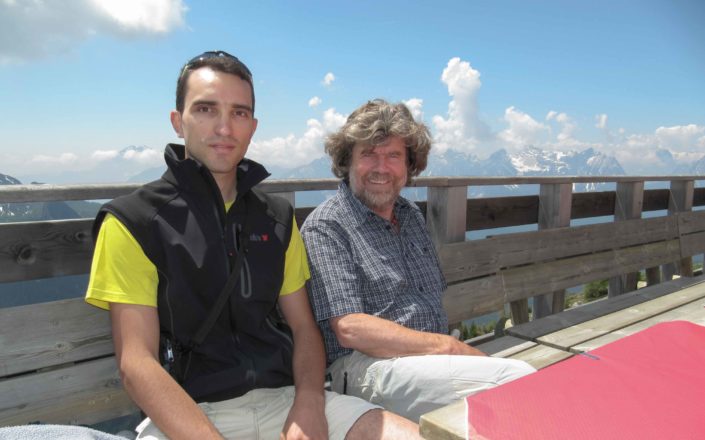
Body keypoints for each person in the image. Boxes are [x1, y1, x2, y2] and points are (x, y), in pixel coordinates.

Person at [85, 52, 420, 440]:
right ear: (178, 121)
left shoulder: (276, 218)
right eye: (206, 109)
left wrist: (309, 404)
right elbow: (136, 363)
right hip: (187, 415)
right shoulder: (134, 222)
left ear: (253, 126)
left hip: (288, 400)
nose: (224, 127)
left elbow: (304, 328)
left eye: (239, 113)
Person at [301, 99, 536, 422]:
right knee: (519, 382)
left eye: (393, 155)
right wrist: (448, 348)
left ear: (410, 165)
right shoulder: (327, 226)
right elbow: (350, 328)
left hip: (429, 360)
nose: (381, 167)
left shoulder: (409, 215)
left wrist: (445, 351)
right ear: (347, 161)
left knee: (522, 388)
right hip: (365, 367)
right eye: (368, 153)